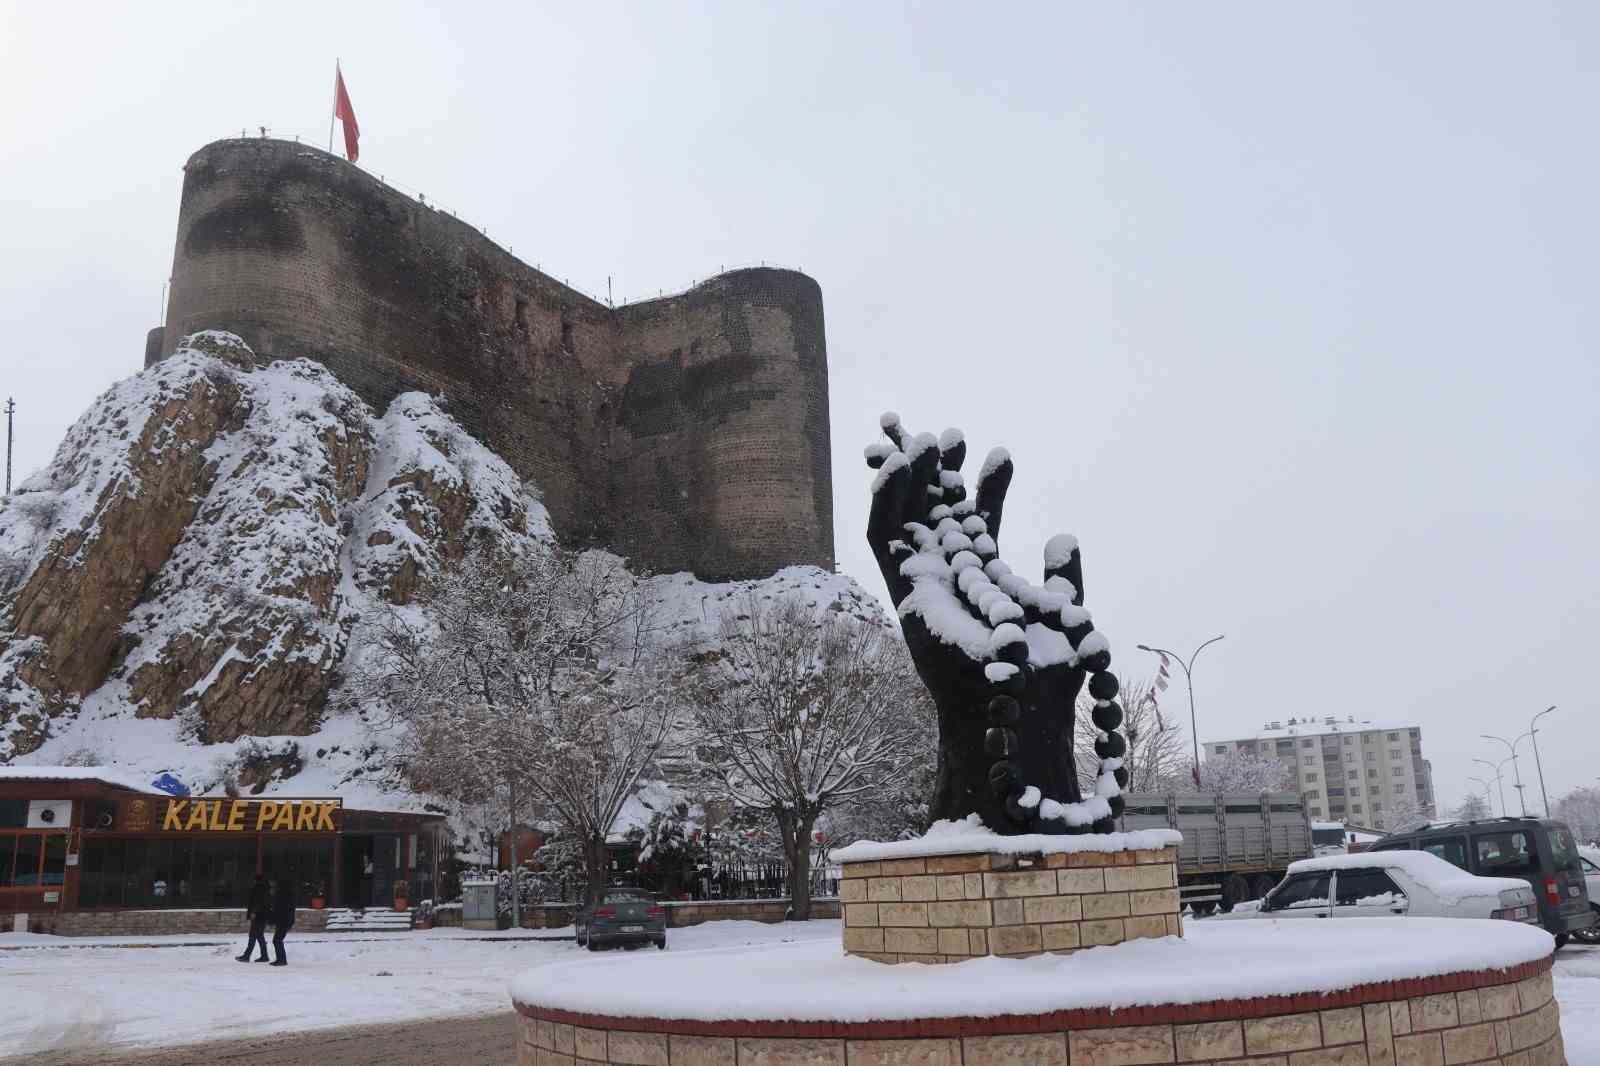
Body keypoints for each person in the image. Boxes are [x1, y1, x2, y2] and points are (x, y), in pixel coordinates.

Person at [237, 874, 270, 963]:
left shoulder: (259, 889)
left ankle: (247, 956)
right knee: (258, 936)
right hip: (262, 916)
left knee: (254, 935)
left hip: (258, 916)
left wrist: (254, 912)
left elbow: (258, 902)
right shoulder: (265, 889)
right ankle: (263, 956)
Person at [270, 877, 296, 966]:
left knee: (277, 940)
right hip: (286, 920)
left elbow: (277, 909)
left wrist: (272, 920)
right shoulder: (290, 895)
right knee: (278, 940)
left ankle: (281, 960)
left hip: (282, 920)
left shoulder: (280, 895)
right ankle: (281, 959)